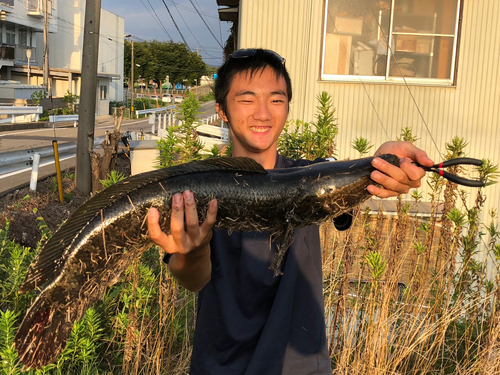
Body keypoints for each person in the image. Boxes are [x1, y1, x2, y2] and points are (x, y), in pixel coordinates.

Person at [147, 48, 434, 374]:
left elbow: (344, 175)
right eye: (246, 99)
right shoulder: (195, 188)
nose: (263, 113)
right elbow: (193, 279)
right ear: (222, 110)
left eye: (276, 100)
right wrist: (194, 251)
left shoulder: (309, 177)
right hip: (219, 368)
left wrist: (381, 164)